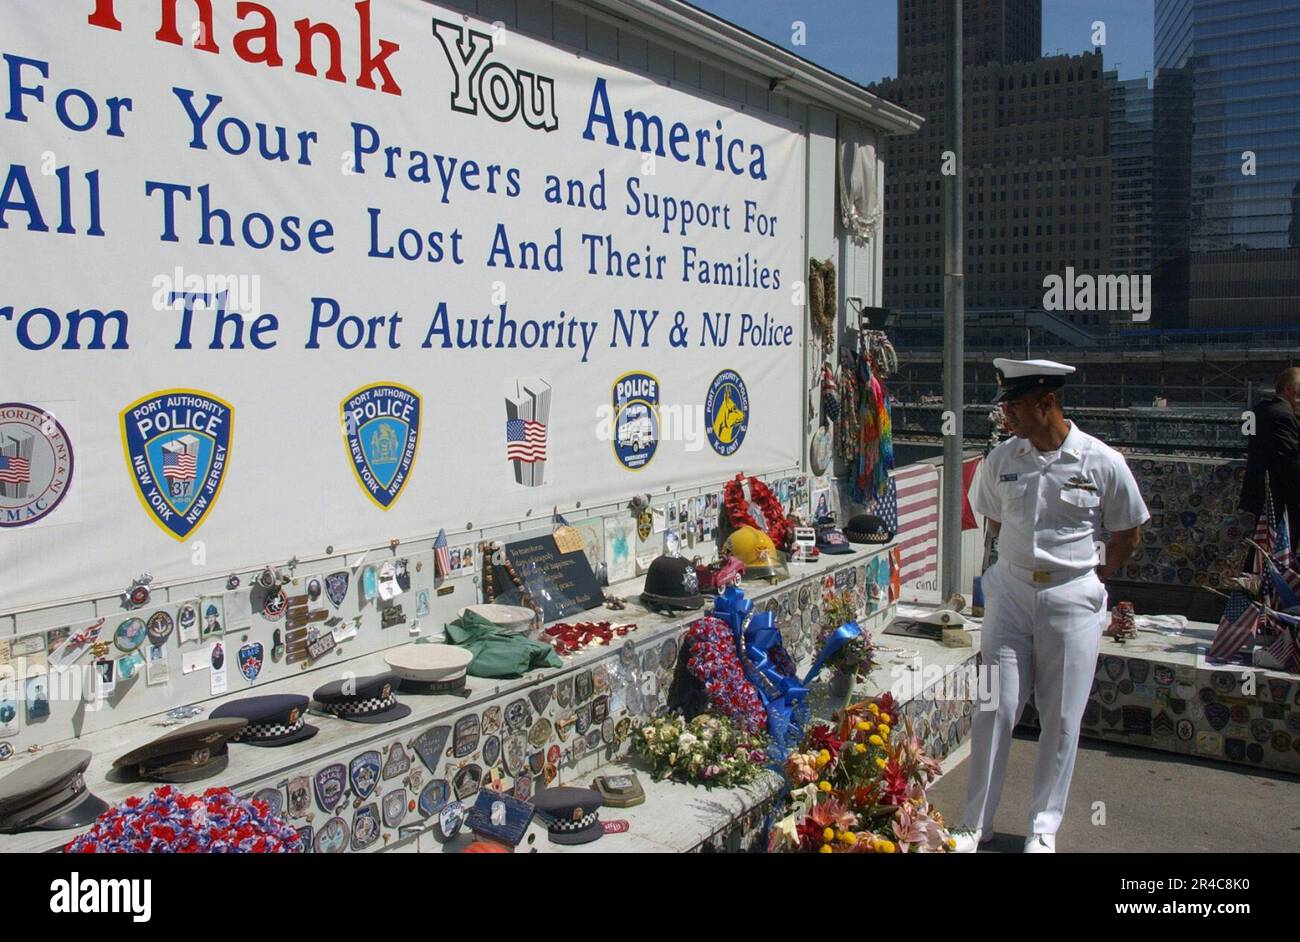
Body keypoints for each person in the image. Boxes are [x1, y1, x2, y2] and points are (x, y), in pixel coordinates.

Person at [954, 358, 1149, 854]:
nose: (1006, 416)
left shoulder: (1102, 461)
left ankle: (1043, 827)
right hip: (1012, 594)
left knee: (1062, 717)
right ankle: (975, 822)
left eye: (1015, 405)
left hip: (1072, 597)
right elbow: (991, 519)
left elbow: (1128, 532)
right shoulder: (1002, 458)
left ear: (1048, 403)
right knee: (994, 707)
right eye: (1005, 405)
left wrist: (1094, 573)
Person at [1239, 367, 1300, 547]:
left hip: (1260, 495)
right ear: (1289, 389)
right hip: (1279, 499)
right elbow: (1290, 462)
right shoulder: (1282, 415)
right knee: (1275, 552)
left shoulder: (1261, 409)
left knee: (1262, 551)